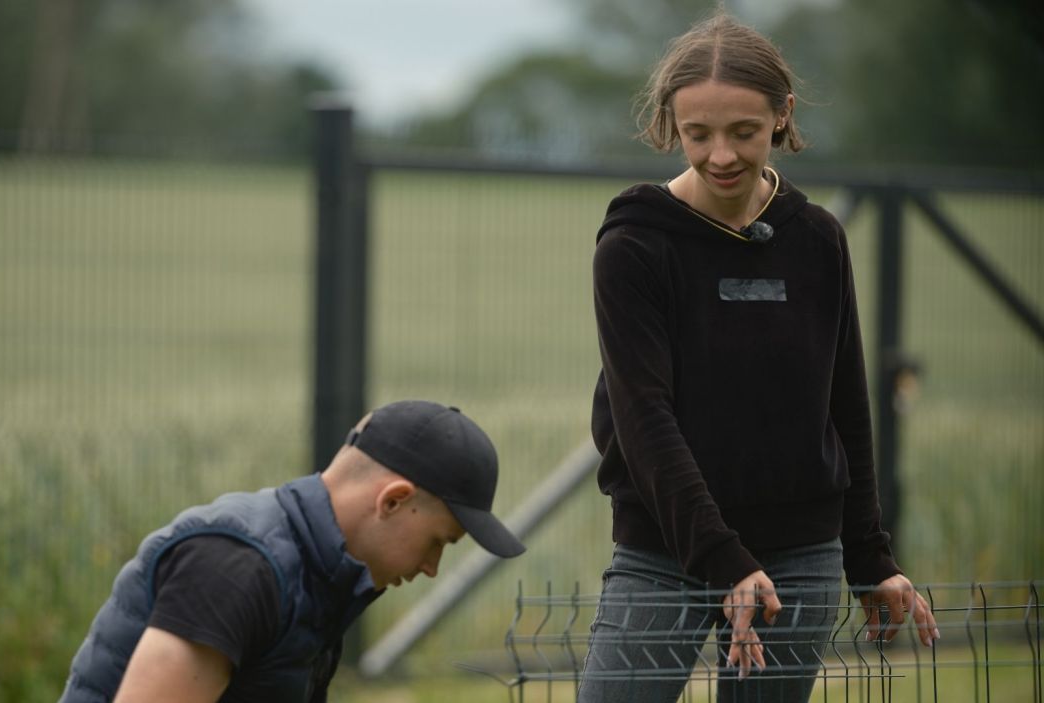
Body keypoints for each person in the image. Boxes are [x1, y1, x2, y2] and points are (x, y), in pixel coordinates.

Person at [579, 12, 939, 702]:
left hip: (800, 554)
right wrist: (721, 559)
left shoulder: (818, 240)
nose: (720, 155)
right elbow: (644, 417)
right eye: (697, 134)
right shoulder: (635, 246)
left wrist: (870, 556)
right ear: (670, 124)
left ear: (782, 116)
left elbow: (844, 405)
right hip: (666, 553)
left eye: (743, 131)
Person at [59, 400, 525, 702]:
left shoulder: (314, 574)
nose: (431, 568)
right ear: (393, 500)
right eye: (437, 542)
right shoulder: (238, 567)